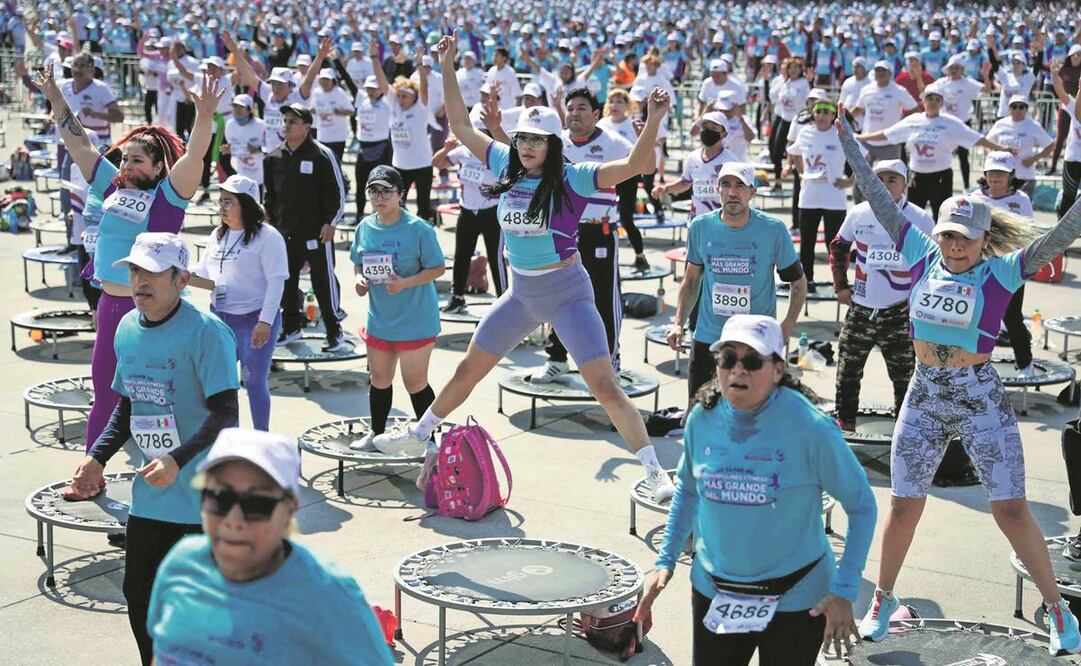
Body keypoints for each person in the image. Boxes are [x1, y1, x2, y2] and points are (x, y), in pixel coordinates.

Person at [374, 33, 676, 502]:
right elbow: (458, 120)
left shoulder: (574, 178)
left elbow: (636, 163)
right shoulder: (503, 163)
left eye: (537, 140)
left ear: (553, 143)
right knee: (468, 370)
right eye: (523, 139)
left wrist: (653, 120)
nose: (528, 146)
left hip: (569, 295)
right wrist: (447, 65)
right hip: (519, 296)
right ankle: (419, 433)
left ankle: (655, 472)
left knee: (605, 386)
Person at [835, 112, 1081, 655]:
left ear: (983, 237)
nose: (955, 247)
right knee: (904, 504)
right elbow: (877, 195)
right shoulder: (921, 254)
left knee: (1010, 509)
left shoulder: (1002, 271)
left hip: (979, 396)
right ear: (937, 232)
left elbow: (1063, 232)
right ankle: (883, 599)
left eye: (966, 238)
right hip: (924, 393)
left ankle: (1060, 612)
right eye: (948, 235)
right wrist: (848, 141)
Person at [635, 314, 876, 666]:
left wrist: (844, 590)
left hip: (797, 595)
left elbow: (862, 505)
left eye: (751, 361)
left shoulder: (811, 428)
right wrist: (665, 560)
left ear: (778, 370)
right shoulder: (702, 419)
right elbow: (688, 490)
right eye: (727, 359)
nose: (737, 370)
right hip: (716, 591)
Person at [65, 232, 240, 664]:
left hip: (203, 497)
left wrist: (177, 460)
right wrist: (97, 456)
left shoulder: (207, 333)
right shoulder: (126, 328)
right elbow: (129, 405)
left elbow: (226, 417)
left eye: (153, 272)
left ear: (181, 279)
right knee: (139, 595)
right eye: (136, 270)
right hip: (151, 496)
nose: (141, 280)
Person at [37, 67, 221, 463]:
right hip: (112, 306)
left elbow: (195, 155)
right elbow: (80, 144)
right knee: (103, 395)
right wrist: (55, 95)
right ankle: (90, 471)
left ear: (158, 168)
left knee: (161, 402)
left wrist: (204, 116)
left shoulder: (169, 196)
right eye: (124, 159)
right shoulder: (110, 186)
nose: (126, 167)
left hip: (158, 313)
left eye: (136, 161)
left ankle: (168, 476)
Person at [148, 428, 394, 664]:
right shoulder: (181, 564)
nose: (234, 520)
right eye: (220, 498)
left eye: (257, 504)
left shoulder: (329, 596)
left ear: (290, 508)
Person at [668, 162, 807, 399]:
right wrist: (678, 323)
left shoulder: (773, 230)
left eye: (740, 186)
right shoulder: (701, 227)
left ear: (752, 192)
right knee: (699, 411)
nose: (732, 192)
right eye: (726, 185)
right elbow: (691, 281)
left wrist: (787, 325)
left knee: (754, 416)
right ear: (717, 189)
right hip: (709, 336)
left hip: (755, 340)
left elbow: (798, 283)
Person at [533, 87, 636, 383]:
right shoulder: (556, 144)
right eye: (571, 108)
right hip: (563, 233)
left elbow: (644, 167)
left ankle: (611, 362)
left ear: (595, 113)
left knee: (603, 297)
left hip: (599, 231)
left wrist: (648, 136)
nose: (575, 113)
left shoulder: (614, 143)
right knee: (558, 298)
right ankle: (556, 358)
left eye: (581, 108)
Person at [829, 159, 934, 430]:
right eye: (880, 179)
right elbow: (839, 247)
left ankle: (904, 432)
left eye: (893, 180)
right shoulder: (859, 213)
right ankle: (845, 423)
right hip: (861, 309)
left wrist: (918, 299)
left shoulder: (920, 218)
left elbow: (934, 262)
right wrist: (841, 285)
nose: (886, 186)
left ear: (905, 183)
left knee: (905, 378)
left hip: (900, 312)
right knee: (847, 371)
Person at [348, 165, 445, 451]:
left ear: (400, 194)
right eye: (374, 191)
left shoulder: (419, 229)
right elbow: (357, 261)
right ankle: (375, 434)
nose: (380, 197)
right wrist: (359, 279)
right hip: (381, 317)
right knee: (379, 378)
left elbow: (437, 268)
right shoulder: (365, 227)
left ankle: (431, 440)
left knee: (415, 382)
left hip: (415, 318)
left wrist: (407, 282)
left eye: (387, 191)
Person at [191, 175, 288, 430]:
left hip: (254, 319)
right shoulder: (217, 235)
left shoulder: (268, 237)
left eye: (228, 202)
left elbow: (277, 281)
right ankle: (226, 437)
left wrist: (265, 322)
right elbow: (205, 272)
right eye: (220, 201)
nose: (222, 207)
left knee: (254, 382)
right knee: (219, 383)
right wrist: (179, 273)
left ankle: (260, 438)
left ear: (246, 204)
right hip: (220, 319)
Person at [856, 82, 1015, 220]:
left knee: (942, 215)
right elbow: (887, 133)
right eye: (929, 98)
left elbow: (976, 138)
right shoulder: (913, 120)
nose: (933, 102)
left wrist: (1001, 148)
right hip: (917, 178)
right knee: (913, 215)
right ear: (923, 101)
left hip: (941, 177)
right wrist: (861, 137)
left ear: (941, 103)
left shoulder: (950, 122)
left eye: (937, 99)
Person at [263, 103, 347, 351]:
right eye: (285, 121)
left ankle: (334, 330)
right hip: (284, 235)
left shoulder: (322, 155)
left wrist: (331, 223)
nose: (287, 125)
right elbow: (270, 195)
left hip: (317, 234)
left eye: (293, 121)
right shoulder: (273, 158)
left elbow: (338, 194)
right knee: (285, 282)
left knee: (323, 282)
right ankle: (291, 327)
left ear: (307, 127)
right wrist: (268, 219)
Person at [969, 151, 1036, 377]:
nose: (996, 177)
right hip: (980, 267)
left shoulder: (1021, 200)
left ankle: (1026, 365)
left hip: (1010, 267)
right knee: (976, 314)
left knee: (1012, 316)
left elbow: (1026, 236)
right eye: (992, 172)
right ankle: (971, 362)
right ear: (985, 173)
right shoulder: (974, 198)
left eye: (1001, 172)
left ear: (1011, 175)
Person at [433, 107, 505, 312]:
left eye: (484, 132)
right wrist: (446, 149)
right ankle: (457, 297)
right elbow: (437, 163)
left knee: (496, 257)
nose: (480, 136)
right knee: (461, 255)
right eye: (476, 132)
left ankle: (504, 300)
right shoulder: (463, 151)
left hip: (492, 212)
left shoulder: (498, 152)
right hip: (467, 211)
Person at [787, 99, 853, 287]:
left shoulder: (840, 134)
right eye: (819, 111)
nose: (822, 115)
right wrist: (800, 173)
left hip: (834, 198)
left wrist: (851, 180)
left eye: (827, 112)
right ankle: (806, 280)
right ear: (813, 114)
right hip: (809, 198)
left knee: (834, 245)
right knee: (807, 243)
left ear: (833, 116)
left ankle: (839, 283)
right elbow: (794, 152)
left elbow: (862, 156)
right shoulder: (805, 132)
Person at [653, 111, 735, 218]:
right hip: (696, 219)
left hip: (721, 220)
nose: (708, 131)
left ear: (724, 134)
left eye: (714, 128)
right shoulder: (693, 157)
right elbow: (685, 183)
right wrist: (665, 189)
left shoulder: (730, 160)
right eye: (705, 127)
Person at [985, 95, 1054, 197]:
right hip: (1003, 175)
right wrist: (991, 157)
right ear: (1009, 109)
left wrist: (1033, 159)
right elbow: (986, 143)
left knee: (1022, 209)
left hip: (1024, 174)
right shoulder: (1000, 124)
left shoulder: (1033, 125)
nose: (1017, 110)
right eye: (1014, 106)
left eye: (1021, 107)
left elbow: (1051, 145)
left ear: (1026, 109)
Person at [353, 47, 394, 221]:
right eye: (368, 88)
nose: (370, 91)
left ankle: (382, 215)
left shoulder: (387, 102)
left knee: (381, 187)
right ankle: (358, 214)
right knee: (360, 185)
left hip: (382, 148)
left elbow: (385, 83)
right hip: (363, 148)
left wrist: (374, 57)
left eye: (374, 89)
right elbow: (349, 82)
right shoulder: (362, 100)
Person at [769, 57, 810, 190]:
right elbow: (773, 97)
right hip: (783, 117)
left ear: (800, 70)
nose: (793, 70)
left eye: (796, 68)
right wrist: (780, 82)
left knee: (796, 151)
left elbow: (809, 101)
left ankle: (800, 179)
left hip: (797, 120)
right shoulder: (784, 82)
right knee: (775, 150)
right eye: (790, 68)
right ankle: (778, 180)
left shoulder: (804, 83)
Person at [1051, 61, 1081, 220]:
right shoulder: (1074, 105)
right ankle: (1060, 232)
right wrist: (1055, 74)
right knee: (1068, 197)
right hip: (1072, 160)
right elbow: (1060, 92)